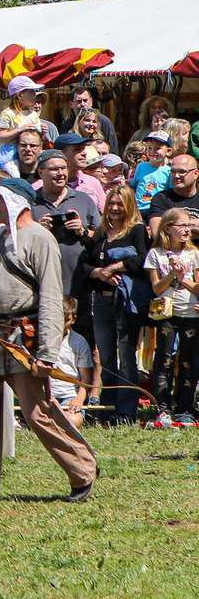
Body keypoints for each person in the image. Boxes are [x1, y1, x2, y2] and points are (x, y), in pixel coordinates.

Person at [0, 179, 97, 507]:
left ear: (15, 202)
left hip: (24, 339)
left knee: (38, 412)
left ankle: (83, 469)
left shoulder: (39, 238)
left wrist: (48, 351)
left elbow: (52, 296)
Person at [85, 186, 149, 424]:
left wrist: (116, 267)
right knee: (107, 357)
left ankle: (126, 411)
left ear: (129, 206)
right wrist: (99, 272)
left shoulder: (137, 230)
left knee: (126, 355)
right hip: (100, 299)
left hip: (124, 300)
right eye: (111, 203)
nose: (114, 208)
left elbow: (143, 259)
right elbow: (86, 264)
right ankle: (107, 408)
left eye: (120, 204)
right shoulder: (101, 232)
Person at [145, 208, 199, 425]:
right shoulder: (155, 254)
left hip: (190, 312)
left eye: (188, 226)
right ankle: (162, 407)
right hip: (166, 312)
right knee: (164, 358)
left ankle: (185, 407)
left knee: (187, 361)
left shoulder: (194, 254)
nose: (186, 230)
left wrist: (182, 277)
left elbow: (198, 287)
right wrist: (171, 274)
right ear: (167, 228)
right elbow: (157, 288)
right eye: (181, 226)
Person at [31, 150, 101, 298]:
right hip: (42, 286)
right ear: (40, 172)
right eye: (54, 169)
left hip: (79, 285)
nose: (61, 173)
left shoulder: (83, 200)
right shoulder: (30, 202)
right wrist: (37, 229)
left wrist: (82, 231)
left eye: (64, 168)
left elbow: (102, 237)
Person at [50, 296, 95, 429]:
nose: (61, 324)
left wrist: (79, 399)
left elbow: (86, 378)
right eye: (59, 319)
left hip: (70, 397)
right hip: (47, 395)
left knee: (72, 421)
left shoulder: (79, 342)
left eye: (66, 320)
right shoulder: (44, 339)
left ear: (73, 319)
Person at [0, 75, 44, 172]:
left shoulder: (33, 114)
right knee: (13, 172)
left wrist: (43, 132)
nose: (35, 94)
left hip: (31, 150)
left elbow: (38, 138)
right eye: (31, 91)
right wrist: (19, 130)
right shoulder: (7, 113)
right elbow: (2, 137)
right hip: (10, 153)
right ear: (19, 95)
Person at [50, 132, 106, 213]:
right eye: (77, 149)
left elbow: (104, 218)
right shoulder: (43, 185)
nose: (84, 153)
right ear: (60, 154)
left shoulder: (93, 183)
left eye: (83, 149)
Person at [147, 154, 199, 236]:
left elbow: (165, 230)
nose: (176, 176)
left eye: (182, 172)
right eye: (173, 171)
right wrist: (194, 224)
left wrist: (173, 226)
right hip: (171, 249)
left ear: (195, 173)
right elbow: (158, 233)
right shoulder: (161, 198)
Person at [59, 87, 118, 152]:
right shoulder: (67, 125)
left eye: (85, 100)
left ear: (91, 101)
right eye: (79, 101)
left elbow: (113, 151)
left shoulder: (104, 122)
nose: (83, 104)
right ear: (71, 104)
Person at [131, 131, 172, 215]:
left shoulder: (169, 171)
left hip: (157, 209)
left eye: (157, 148)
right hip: (138, 208)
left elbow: (170, 193)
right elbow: (133, 186)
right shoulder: (141, 166)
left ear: (168, 151)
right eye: (149, 148)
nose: (152, 151)